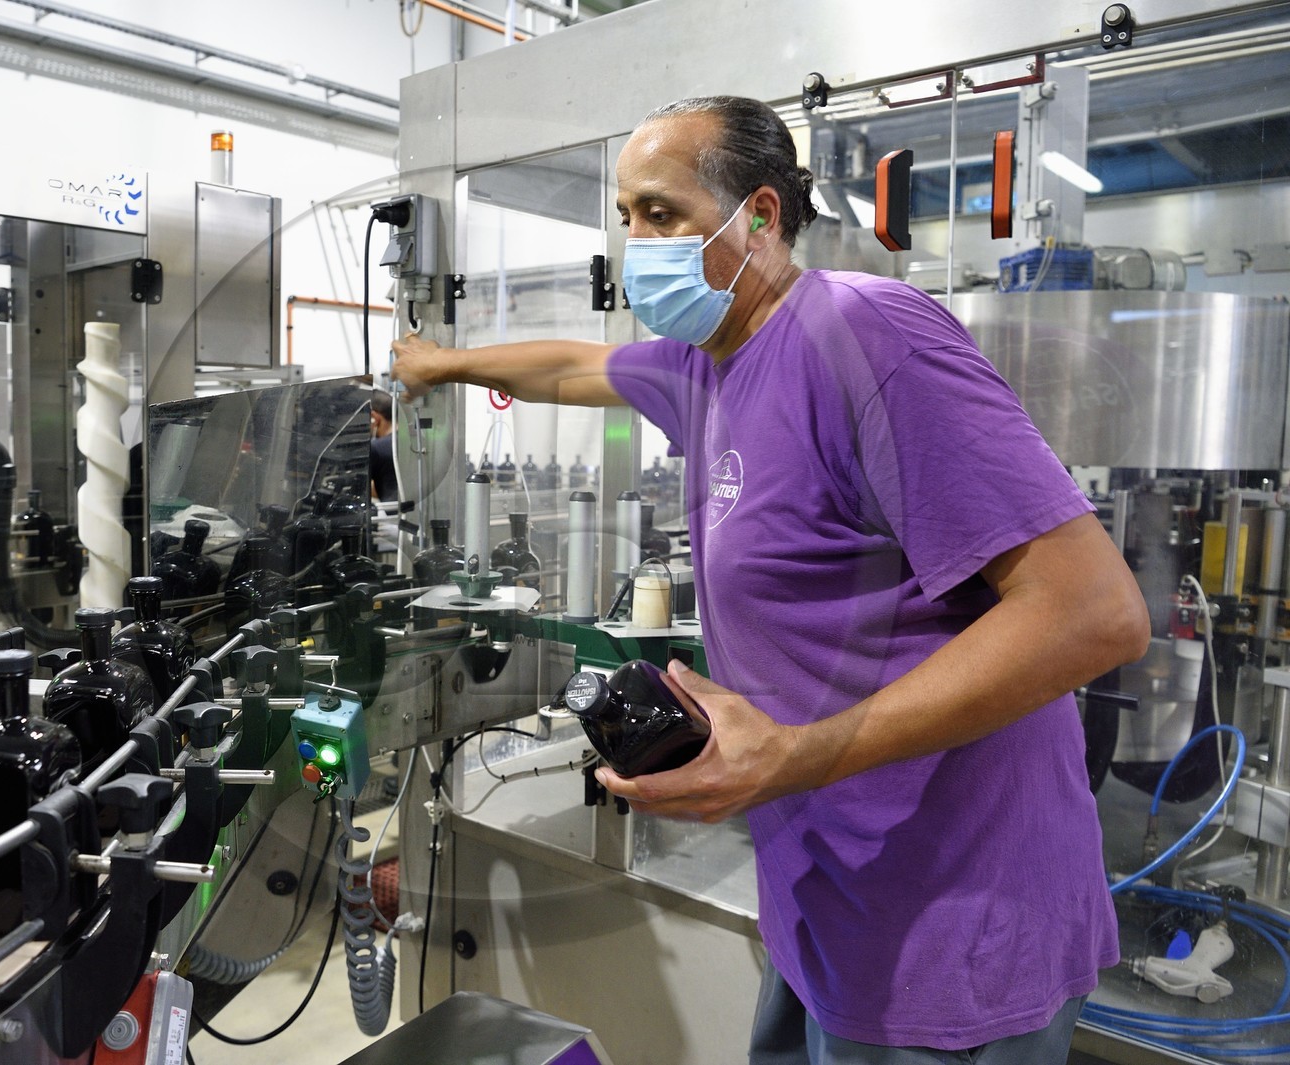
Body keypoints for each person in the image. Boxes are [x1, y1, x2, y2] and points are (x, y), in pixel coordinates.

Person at [391, 95, 1149, 1065]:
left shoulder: (864, 337)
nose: (636, 244)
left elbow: (1091, 612)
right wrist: (441, 363)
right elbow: (573, 365)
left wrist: (789, 757)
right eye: (625, 217)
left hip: (947, 928)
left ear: (756, 217)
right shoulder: (706, 363)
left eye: (661, 214)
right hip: (823, 902)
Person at [369, 389, 398, 503]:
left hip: (393, 519)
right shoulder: (413, 442)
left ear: (374, 418)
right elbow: (390, 486)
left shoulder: (377, 448)